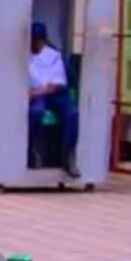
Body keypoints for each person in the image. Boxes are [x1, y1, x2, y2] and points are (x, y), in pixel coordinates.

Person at [27, 19, 76, 172]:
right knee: (36, 112)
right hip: (35, 95)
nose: (36, 43)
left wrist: (33, 93)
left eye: (39, 40)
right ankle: (32, 150)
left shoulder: (54, 56)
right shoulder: (24, 55)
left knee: (72, 113)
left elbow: (56, 84)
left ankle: (68, 154)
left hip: (52, 94)